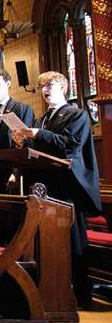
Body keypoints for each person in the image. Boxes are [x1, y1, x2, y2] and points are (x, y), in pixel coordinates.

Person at [12, 71, 101, 307]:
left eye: (50, 85)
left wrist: (38, 134)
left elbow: (70, 146)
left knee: (73, 242)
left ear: (63, 87)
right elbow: (40, 147)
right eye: (41, 86)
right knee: (45, 240)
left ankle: (81, 295)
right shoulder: (42, 119)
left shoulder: (77, 115)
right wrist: (24, 140)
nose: (45, 90)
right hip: (46, 185)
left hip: (69, 187)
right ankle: (49, 290)